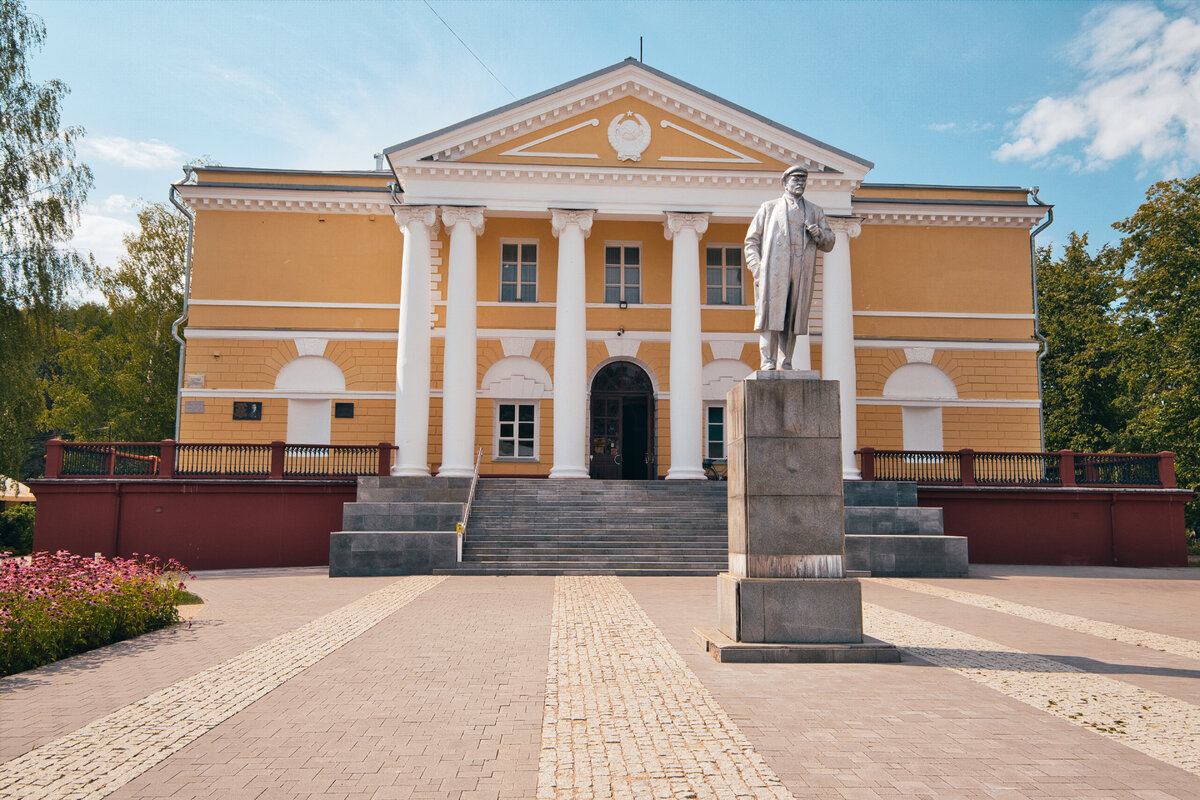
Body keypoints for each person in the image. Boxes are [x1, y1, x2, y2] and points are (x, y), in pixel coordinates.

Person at [744, 165, 836, 370]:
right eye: (795, 180)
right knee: (770, 318)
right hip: (774, 272)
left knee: (792, 319)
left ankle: (786, 362)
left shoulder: (815, 211)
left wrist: (818, 233)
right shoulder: (769, 208)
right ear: (785, 183)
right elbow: (751, 241)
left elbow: (830, 242)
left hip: (800, 271)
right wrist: (758, 269)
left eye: (803, 180)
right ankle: (768, 361)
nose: (800, 184)